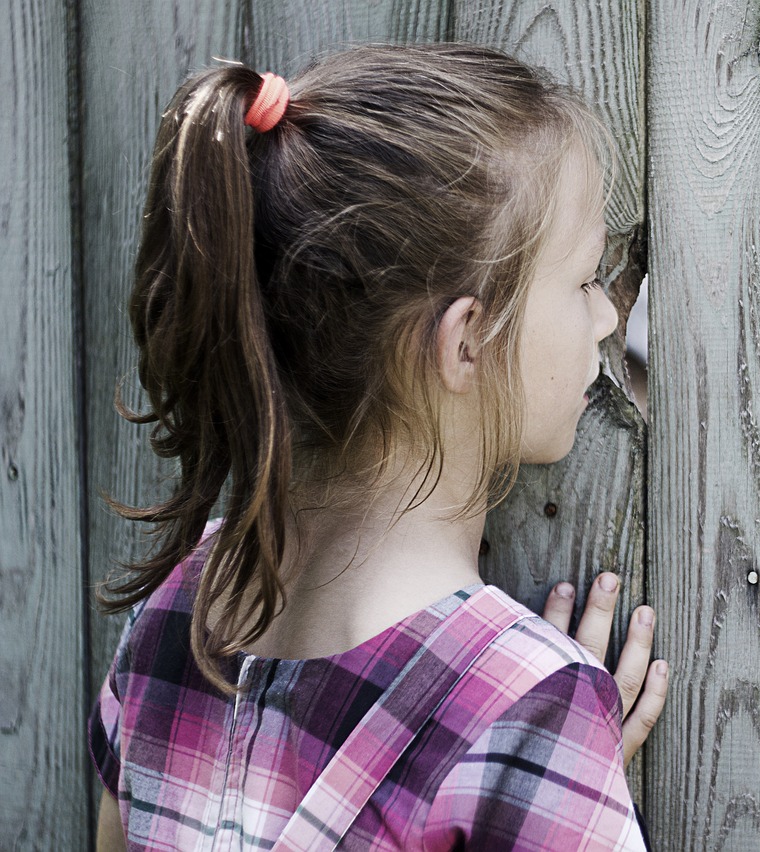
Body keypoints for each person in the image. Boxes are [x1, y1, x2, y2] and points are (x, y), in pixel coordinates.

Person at [88, 43, 668, 851]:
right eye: (581, 283)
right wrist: (542, 772)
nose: (607, 319)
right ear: (467, 343)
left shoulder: (177, 612)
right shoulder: (528, 712)